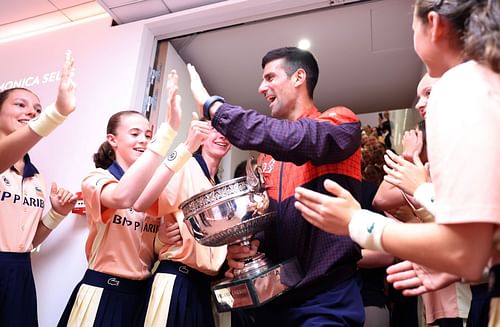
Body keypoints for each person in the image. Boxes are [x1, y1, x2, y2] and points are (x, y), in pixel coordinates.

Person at [294, 0, 499, 324]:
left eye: (412, 28)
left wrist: (356, 222)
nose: (423, 103)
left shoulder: (460, 85)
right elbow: (477, 250)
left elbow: (465, 251)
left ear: (433, 24)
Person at [188, 46, 364, 326]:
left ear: (298, 77)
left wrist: (215, 108)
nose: (261, 87)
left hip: (325, 301)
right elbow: (264, 223)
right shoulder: (266, 157)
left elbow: (296, 140)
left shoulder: (340, 123)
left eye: (270, 77)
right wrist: (244, 250)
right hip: (274, 302)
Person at [57, 70, 208, 326]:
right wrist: (168, 134)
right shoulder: (96, 178)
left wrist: (160, 241)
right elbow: (123, 197)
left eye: (148, 135)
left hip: (142, 295)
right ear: (112, 140)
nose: (143, 141)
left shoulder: (155, 189)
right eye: (135, 134)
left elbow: (156, 249)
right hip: (103, 292)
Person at [0, 51, 78, 326]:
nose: (31, 112)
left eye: (36, 109)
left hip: (20, 271)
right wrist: (54, 114)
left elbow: (29, 242)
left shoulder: (36, 178)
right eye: (20, 105)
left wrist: (56, 214)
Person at [133, 126, 231, 327]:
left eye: (228, 131)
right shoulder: (186, 167)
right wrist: (186, 146)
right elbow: (142, 202)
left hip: (202, 286)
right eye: (215, 129)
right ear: (202, 137)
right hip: (177, 280)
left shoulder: (218, 187)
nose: (222, 136)